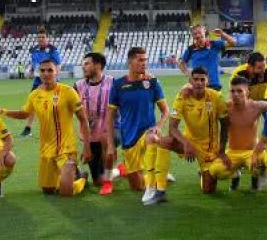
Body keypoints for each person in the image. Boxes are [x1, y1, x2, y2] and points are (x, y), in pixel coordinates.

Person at [0, 59, 93, 196]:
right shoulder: (35, 95)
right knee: (48, 190)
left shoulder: (68, 91)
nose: (46, 73)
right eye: (42, 70)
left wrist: (87, 147)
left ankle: (82, 178)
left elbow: (83, 120)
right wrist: (3, 111)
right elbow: (25, 114)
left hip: (66, 148)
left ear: (57, 72)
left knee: (66, 192)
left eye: (50, 70)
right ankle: (70, 173)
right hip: (46, 149)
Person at [106, 47, 170, 205]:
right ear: (130, 61)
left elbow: (165, 111)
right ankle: (123, 169)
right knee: (137, 186)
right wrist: (110, 145)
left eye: (145, 60)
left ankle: (158, 176)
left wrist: (158, 126)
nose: (144, 63)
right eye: (140, 60)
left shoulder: (152, 82)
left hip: (147, 133)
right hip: (129, 138)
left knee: (153, 139)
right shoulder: (118, 85)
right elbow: (110, 116)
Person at [149, 67, 229, 193]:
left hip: (209, 147)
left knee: (209, 190)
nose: (199, 82)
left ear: (207, 81)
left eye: (202, 79)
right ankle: (159, 186)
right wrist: (186, 143)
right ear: (190, 80)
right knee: (164, 142)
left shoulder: (216, 97)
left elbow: (225, 125)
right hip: (189, 140)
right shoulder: (182, 96)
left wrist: (222, 150)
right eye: (195, 79)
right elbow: (172, 128)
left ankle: (204, 173)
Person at [207, 77, 267, 192]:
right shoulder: (225, 106)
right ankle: (235, 175)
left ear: (247, 92)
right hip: (233, 152)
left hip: (253, 151)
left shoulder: (257, 106)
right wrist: (196, 91)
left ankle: (255, 183)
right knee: (216, 170)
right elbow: (207, 109)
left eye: (239, 91)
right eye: (232, 91)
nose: (235, 94)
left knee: (261, 163)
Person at [75, 52, 117, 192]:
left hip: (110, 131)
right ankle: (118, 171)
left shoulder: (113, 82)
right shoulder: (77, 86)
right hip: (91, 136)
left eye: (87, 63)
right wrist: (86, 146)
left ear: (98, 65)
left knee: (106, 138)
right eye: (83, 64)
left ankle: (109, 181)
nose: (83, 67)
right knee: (99, 181)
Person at [21, 29, 61, 138]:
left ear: (48, 38)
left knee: (54, 105)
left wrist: (52, 78)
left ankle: (55, 128)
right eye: (39, 37)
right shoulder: (34, 50)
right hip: (38, 81)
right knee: (33, 104)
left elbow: (58, 66)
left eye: (43, 37)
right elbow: (34, 64)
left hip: (52, 82)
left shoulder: (53, 50)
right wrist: (31, 71)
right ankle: (28, 128)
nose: (41, 39)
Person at [178, 25, 235, 90]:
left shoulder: (214, 44)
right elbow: (181, 63)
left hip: (214, 85)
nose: (198, 35)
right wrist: (189, 75)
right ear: (192, 36)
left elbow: (233, 42)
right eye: (195, 34)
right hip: (197, 86)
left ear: (204, 32)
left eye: (199, 32)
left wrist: (222, 34)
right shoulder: (190, 49)